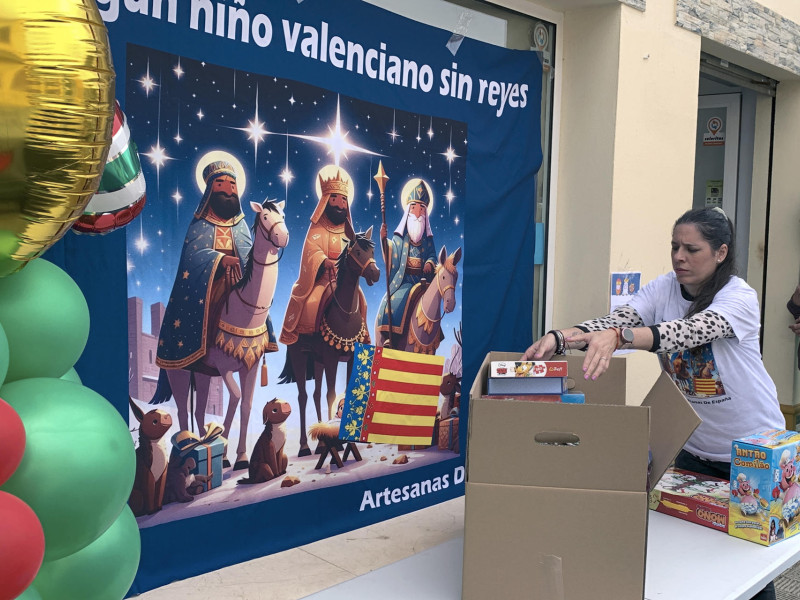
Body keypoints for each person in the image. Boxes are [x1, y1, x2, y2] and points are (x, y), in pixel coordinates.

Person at [523, 207, 782, 600]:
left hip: (753, 452)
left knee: (750, 565)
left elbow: (688, 331)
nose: (679, 256)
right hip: (694, 449)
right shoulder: (662, 289)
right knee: (696, 554)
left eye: (691, 249)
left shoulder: (739, 298)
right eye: (675, 246)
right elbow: (621, 317)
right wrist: (561, 338)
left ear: (721, 253)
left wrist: (620, 337)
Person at [156, 160, 252, 373]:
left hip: (239, 279)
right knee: (209, 308)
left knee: (256, 305)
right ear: (210, 190)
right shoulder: (200, 224)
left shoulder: (241, 226)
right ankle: (204, 350)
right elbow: (192, 257)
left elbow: (250, 257)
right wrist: (219, 259)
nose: (228, 189)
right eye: (220, 183)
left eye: (232, 184)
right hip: (208, 284)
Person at [279, 166, 365, 346]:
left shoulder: (347, 230)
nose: (340, 204)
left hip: (343, 280)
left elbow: (355, 253)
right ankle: (310, 340)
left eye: (343, 200)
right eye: (335, 198)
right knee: (313, 302)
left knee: (361, 302)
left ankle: (361, 337)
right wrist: (322, 259)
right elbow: (311, 249)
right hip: (322, 279)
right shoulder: (318, 227)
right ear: (326, 200)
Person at [375, 178, 437, 347]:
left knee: (433, 304)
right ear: (408, 210)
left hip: (423, 280)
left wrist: (430, 263)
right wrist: (383, 239)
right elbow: (390, 252)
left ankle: (433, 338)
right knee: (396, 300)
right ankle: (391, 338)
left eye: (422, 209)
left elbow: (433, 255)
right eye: (414, 208)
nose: (418, 213)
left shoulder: (428, 239)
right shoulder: (399, 238)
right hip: (404, 279)